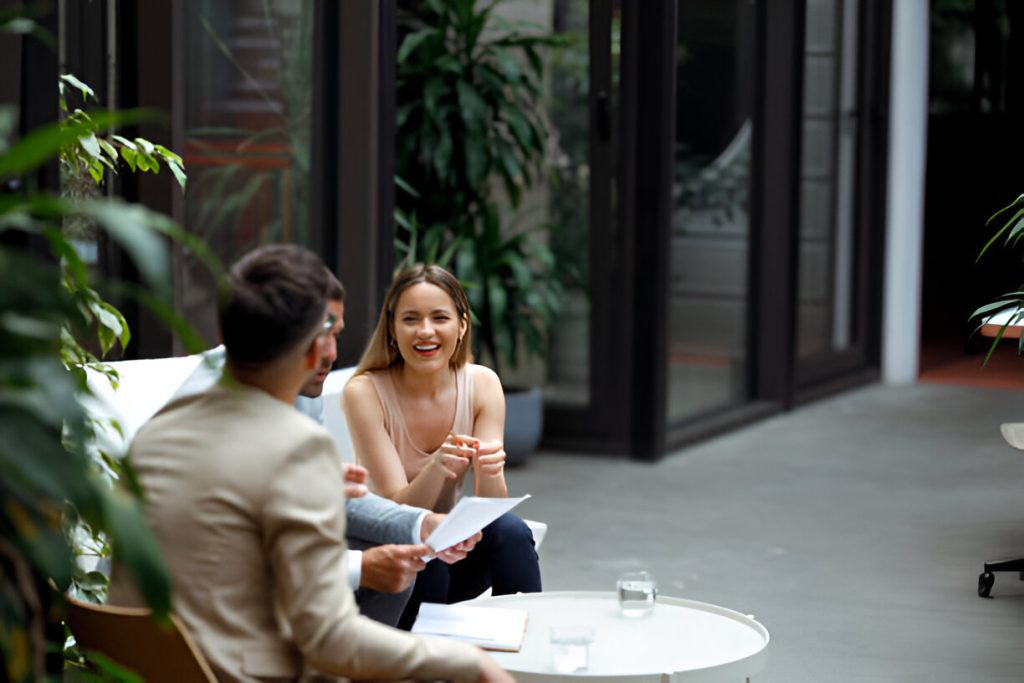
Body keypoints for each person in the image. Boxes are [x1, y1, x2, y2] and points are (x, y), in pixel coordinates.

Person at [107, 245, 511, 683]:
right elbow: (330, 640)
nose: (336, 352)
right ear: (311, 349)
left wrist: (416, 524)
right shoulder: (296, 444)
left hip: (141, 661)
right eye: (330, 334)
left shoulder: (157, 431)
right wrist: (470, 663)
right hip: (226, 669)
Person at [171, 270, 479, 627]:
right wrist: (360, 568)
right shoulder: (216, 412)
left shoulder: (293, 385)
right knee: (379, 565)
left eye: (336, 335)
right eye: (320, 336)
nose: (332, 354)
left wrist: (421, 524)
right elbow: (227, 555)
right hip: (186, 620)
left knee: (397, 563)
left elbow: (331, 495)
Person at [343, 263, 542, 630]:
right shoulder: (365, 393)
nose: (425, 331)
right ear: (391, 328)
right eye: (410, 319)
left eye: (440, 317)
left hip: (455, 555)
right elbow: (396, 513)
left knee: (512, 533)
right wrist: (438, 466)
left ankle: (525, 647)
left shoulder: (482, 384)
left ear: (462, 325)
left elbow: (491, 510)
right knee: (427, 560)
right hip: (393, 562)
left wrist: (490, 470)